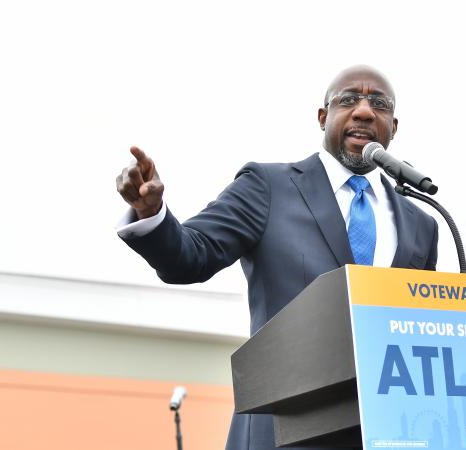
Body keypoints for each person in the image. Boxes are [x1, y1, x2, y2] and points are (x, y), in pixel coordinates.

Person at [115, 65, 439, 450]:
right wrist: (151, 214)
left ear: (393, 126)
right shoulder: (268, 187)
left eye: (379, 104)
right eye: (348, 100)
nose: (364, 111)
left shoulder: (422, 222)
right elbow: (191, 254)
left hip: (385, 435)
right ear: (323, 117)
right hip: (282, 430)